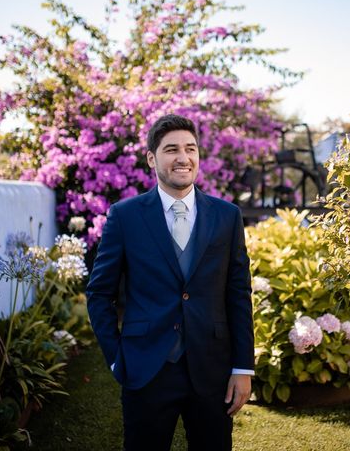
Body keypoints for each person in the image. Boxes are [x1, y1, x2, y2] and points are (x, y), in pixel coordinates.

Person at [86, 114, 254, 451]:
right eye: (171, 149)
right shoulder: (126, 216)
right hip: (147, 368)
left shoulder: (227, 216)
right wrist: (117, 358)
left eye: (190, 149)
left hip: (212, 367)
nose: (183, 158)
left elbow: (238, 293)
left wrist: (242, 367)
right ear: (152, 158)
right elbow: (99, 292)